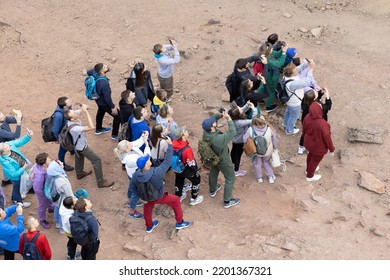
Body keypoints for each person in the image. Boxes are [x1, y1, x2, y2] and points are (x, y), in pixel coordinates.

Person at [129, 137, 191, 233]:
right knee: (176, 200)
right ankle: (180, 222)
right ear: (146, 165)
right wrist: (170, 145)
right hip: (159, 196)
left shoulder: (136, 175)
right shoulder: (157, 172)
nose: (149, 160)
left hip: (147, 197)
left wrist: (142, 198)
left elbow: (132, 188)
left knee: (148, 207)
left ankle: (149, 226)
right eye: (147, 160)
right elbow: (167, 161)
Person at [64, 103, 114, 188]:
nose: (76, 113)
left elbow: (84, 108)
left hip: (77, 145)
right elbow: (91, 127)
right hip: (82, 146)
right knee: (96, 160)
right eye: (75, 113)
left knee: (79, 157)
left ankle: (79, 173)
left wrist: (84, 107)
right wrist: (86, 113)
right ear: (72, 118)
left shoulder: (71, 118)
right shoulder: (74, 128)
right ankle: (100, 181)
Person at [201, 110, 240, 208]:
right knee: (230, 178)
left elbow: (214, 118)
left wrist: (221, 115)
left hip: (212, 157)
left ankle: (213, 190)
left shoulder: (206, 133)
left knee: (214, 171)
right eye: (213, 122)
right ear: (212, 127)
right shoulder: (219, 139)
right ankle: (227, 201)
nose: (214, 121)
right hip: (223, 159)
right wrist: (228, 119)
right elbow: (232, 132)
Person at [114, 132, 150, 219]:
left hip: (131, 173)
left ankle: (129, 200)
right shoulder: (131, 159)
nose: (131, 143)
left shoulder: (125, 149)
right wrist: (147, 145)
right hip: (136, 175)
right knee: (136, 194)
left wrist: (144, 136)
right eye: (129, 144)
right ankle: (132, 211)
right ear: (126, 149)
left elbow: (137, 142)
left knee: (131, 187)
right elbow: (146, 158)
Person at [302, 102, 335, 181]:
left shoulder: (307, 117)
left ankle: (308, 170)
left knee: (310, 156)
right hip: (318, 147)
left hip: (309, 143)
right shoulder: (323, 124)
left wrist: (305, 138)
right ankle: (309, 176)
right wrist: (331, 149)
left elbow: (304, 130)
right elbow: (327, 138)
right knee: (315, 160)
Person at [282, 59, 316, 135]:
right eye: (295, 71)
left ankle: (285, 123)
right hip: (295, 103)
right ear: (292, 73)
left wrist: (307, 63)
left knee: (288, 112)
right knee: (294, 116)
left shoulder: (286, 75)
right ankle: (289, 130)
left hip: (290, 101)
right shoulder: (293, 84)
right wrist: (310, 70)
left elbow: (299, 68)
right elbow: (307, 81)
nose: (297, 71)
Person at [0, 131, 33, 208]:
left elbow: (19, 142)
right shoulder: (5, 161)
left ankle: (14, 198)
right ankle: (18, 202)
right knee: (17, 188)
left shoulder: (9, 145)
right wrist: (23, 168)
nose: (7, 145)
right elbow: (13, 174)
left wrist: (28, 136)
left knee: (16, 187)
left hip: (23, 168)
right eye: (5, 146)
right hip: (16, 177)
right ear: (4, 152)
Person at [172, 126, 204, 206]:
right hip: (186, 169)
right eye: (185, 131)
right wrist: (195, 170)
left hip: (177, 168)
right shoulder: (187, 149)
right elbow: (191, 163)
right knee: (196, 180)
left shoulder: (173, 143)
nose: (187, 131)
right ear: (183, 136)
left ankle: (178, 196)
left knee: (179, 179)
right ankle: (194, 198)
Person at [88, 63, 120, 140]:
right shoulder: (104, 83)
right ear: (101, 71)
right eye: (104, 67)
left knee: (100, 112)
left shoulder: (95, 74)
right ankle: (114, 135)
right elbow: (107, 97)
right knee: (118, 116)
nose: (106, 66)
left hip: (98, 99)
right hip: (104, 102)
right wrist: (112, 107)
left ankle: (98, 129)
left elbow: (89, 72)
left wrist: (96, 68)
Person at [243, 116, 278, 184]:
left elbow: (245, 139)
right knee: (266, 162)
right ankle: (270, 177)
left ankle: (259, 178)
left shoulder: (250, 129)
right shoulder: (269, 129)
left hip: (256, 152)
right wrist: (275, 148)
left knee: (257, 164)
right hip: (268, 151)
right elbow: (275, 140)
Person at [298, 88, 332, 154]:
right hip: (317, 124)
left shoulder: (305, 102)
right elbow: (328, 106)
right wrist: (327, 96)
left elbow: (312, 98)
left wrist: (320, 93)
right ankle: (309, 148)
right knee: (315, 136)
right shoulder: (319, 107)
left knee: (305, 133)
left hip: (306, 121)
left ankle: (301, 147)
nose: (316, 92)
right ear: (314, 99)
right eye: (316, 93)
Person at [229, 101, 258, 177]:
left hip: (234, 139)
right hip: (240, 140)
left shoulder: (232, 118)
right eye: (239, 108)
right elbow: (253, 120)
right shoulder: (239, 122)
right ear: (239, 114)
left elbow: (241, 111)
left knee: (234, 150)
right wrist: (254, 109)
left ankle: (232, 162)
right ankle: (236, 170)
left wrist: (247, 105)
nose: (240, 107)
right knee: (238, 155)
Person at [47, 160, 74, 234]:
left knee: (56, 208)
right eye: (60, 163)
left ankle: (57, 223)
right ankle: (62, 229)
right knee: (63, 213)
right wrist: (73, 199)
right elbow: (69, 194)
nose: (62, 163)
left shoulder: (51, 175)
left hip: (55, 198)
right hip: (62, 199)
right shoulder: (62, 180)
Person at [263, 41, 288, 113]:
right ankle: (268, 106)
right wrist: (283, 53)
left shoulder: (267, 53)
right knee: (271, 91)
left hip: (268, 73)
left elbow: (276, 54)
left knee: (263, 86)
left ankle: (258, 97)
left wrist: (282, 50)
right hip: (272, 75)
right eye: (271, 49)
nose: (272, 49)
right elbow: (279, 64)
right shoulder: (270, 61)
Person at [30, 153, 54, 229]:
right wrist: (44, 195)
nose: (50, 159)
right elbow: (37, 189)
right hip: (42, 192)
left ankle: (50, 208)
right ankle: (42, 219)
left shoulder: (42, 166)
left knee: (50, 200)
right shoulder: (40, 177)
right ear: (44, 164)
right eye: (48, 159)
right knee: (42, 205)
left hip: (46, 189)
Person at [0, 109, 23, 187]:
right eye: (1, 116)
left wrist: (19, 115)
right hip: (4, 149)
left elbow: (15, 119)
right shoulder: (1, 131)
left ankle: (5, 180)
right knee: (10, 163)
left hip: (7, 146)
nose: (3, 115)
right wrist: (19, 124)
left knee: (5, 164)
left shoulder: (4, 119)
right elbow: (16, 135)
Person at [52, 96, 74, 171]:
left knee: (71, 141)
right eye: (69, 102)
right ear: (64, 106)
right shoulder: (59, 116)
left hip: (68, 130)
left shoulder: (67, 107)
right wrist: (58, 139)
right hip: (63, 135)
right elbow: (55, 129)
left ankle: (72, 150)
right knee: (63, 149)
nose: (70, 102)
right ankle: (62, 165)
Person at [60, 196, 80, 260]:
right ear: (72, 206)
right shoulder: (68, 217)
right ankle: (72, 257)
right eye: (74, 200)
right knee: (73, 245)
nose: (76, 199)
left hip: (67, 231)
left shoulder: (64, 207)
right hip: (70, 232)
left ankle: (70, 253)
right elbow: (72, 226)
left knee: (71, 242)